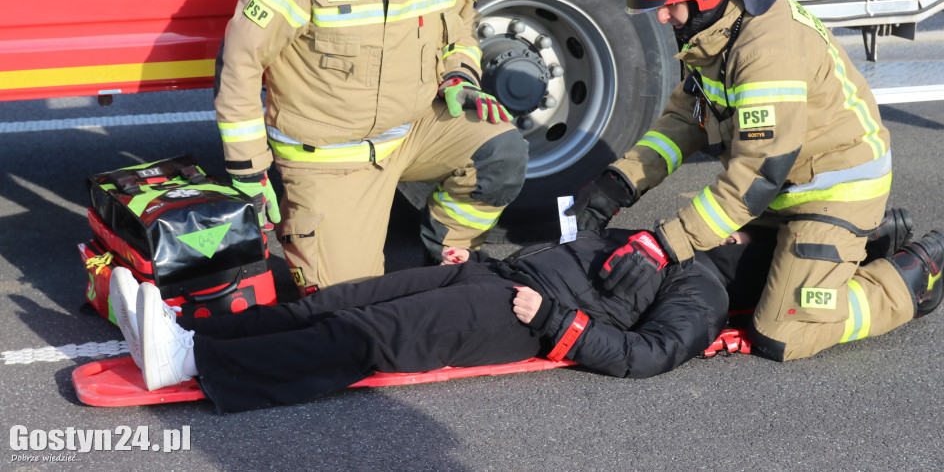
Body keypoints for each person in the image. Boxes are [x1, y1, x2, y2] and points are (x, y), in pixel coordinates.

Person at [565, 0, 944, 362]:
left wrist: (665, 243)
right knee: (714, 265)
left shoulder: (767, 51)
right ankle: (859, 246)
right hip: (783, 191)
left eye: (669, 3)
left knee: (783, 331)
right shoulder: (720, 30)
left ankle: (908, 279)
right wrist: (618, 183)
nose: (662, 17)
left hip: (832, 192)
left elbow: (755, 175)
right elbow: (687, 118)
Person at [214, 0, 528, 292]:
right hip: (330, 161)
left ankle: (447, 253)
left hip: (411, 134)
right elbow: (238, 64)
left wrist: (460, 73)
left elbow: (461, 21)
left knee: (501, 150)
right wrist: (249, 169)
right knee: (347, 313)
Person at [107, 228, 730, 414]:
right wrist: (483, 260)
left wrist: (555, 321)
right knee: (335, 302)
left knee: (366, 335)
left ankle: (191, 364)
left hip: (519, 316)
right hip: (496, 278)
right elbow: (570, 259)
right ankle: (195, 335)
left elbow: (647, 354)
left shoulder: (700, 287)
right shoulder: (669, 240)